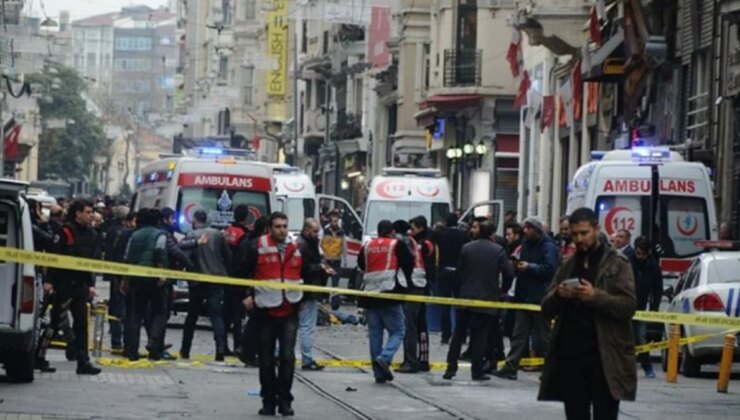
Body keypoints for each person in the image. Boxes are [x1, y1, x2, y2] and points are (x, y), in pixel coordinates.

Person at [538, 207, 637, 419]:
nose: (579, 239)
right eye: (574, 234)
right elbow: (545, 308)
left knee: (605, 413)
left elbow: (628, 306)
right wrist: (559, 295)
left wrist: (596, 296)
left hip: (605, 358)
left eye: (584, 233)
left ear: (596, 229)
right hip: (571, 357)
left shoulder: (618, 264)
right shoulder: (568, 265)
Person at [242, 212, 303, 416]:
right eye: (278, 226)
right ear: (270, 228)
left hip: (290, 309)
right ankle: (268, 401)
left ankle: (285, 401)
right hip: (265, 310)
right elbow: (242, 272)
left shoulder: (296, 247)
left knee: (287, 357)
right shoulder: (256, 246)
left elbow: (306, 271)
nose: (282, 230)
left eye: (285, 226)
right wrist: (246, 295)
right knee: (266, 359)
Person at [444, 221, 514, 381]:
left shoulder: (467, 248)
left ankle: (450, 366)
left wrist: (464, 286)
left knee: (458, 333)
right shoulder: (498, 250)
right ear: (492, 234)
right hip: (487, 298)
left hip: (466, 296)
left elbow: (459, 271)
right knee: (480, 336)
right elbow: (509, 273)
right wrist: (503, 290)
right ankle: (477, 370)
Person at [493, 216, 558, 380]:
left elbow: (550, 269)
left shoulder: (548, 246)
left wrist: (530, 267)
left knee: (544, 336)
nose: (525, 231)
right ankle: (511, 367)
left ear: (536, 230)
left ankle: (554, 369)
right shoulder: (526, 244)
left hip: (539, 297)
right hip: (523, 296)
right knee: (518, 335)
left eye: (528, 228)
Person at [48, 198, 101, 375]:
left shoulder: (92, 235)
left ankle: (83, 361)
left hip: (80, 286)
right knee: (54, 322)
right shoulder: (65, 231)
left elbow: (91, 262)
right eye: (87, 212)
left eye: (92, 212)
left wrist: (91, 284)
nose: (91, 215)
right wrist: (49, 281)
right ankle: (37, 356)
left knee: (81, 324)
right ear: (77, 213)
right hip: (63, 284)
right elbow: (53, 258)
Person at [357, 220, 412, 383]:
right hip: (390, 293)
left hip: (370, 295)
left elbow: (361, 264)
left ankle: (378, 373)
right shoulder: (397, 244)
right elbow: (408, 263)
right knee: (398, 331)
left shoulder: (367, 246)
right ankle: (385, 357)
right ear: (391, 231)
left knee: (375, 334)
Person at [180, 210, 231, 361]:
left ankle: (185, 349)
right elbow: (227, 255)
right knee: (216, 315)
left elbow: (186, 257)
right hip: (216, 279)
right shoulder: (218, 234)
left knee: (192, 316)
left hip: (197, 280)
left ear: (195, 220)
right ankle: (220, 348)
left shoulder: (191, 235)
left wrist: (188, 273)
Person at [123, 208, 170, 361]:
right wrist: (161, 272)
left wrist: (125, 279)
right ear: (158, 221)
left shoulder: (134, 235)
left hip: (135, 278)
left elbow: (127, 256)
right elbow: (160, 251)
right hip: (153, 278)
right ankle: (154, 341)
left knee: (135, 314)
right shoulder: (160, 234)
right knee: (160, 311)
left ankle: (132, 350)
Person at [298, 218, 335, 371]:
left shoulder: (307, 244)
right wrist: (320, 268)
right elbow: (305, 268)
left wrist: (322, 266)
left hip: (306, 290)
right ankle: (306, 359)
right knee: (307, 326)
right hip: (307, 291)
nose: (317, 234)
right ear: (306, 230)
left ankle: (282, 355)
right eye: (314, 231)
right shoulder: (304, 245)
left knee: (299, 325)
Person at [233, 216, 269, 367]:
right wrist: (247, 294)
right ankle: (247, 350)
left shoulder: (247, 241)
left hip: (251, 289)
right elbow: (245, 269)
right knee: (258, 322)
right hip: (253, 290)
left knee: (254, 321)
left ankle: (246, 350)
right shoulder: (256, 246)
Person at [393, 219, 429, 374]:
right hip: (418, 284)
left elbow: (405, 263)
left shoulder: (403, 242)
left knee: (410, 326)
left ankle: (411, 361)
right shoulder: (412, 241)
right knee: (413, 324)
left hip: (413, 286)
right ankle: (412, 359)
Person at [403, 215, 435, 373]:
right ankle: (423, 359)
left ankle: (413, 360)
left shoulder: (421, 245)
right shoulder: (427, 242)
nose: (410, 231)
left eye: (413, 228)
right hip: (423, 287)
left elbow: (421, 266)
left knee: (413, 325)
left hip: (416, 286)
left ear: (421, 228)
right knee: (421, 325)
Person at [629, 236, 663, 378]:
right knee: (626, 338)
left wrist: (654, 309)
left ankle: (647, 366)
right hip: (625, 306)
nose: (640, 257)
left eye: (643, 254)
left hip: (641, 308)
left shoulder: (652, 266)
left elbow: (657, 289)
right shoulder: (627, 262)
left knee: (642, 338)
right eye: (638, 253)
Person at [434, 214, 469, 344]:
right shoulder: (463, 236)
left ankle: (445, 334)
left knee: (445, 306)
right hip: (459, 273)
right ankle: (461, 334)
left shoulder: (440, 235)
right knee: (461, 306)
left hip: (444, 272)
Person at [223, 204, 251, 356]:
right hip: (239, 278)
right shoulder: (243, 235)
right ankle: (238, 345)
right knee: (238, 316)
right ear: (246, 217)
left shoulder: (227, 232)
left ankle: (222, 346)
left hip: (226, 276)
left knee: (226, 315)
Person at [103, 205, 130, 351]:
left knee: (115, 305)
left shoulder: (111, 230)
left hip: (113, 273)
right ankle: (117, 338)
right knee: (121, 307)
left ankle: (114, 332)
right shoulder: (126, 233)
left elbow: (108, 251)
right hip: (121, 275)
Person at [321, 209, 345, 308]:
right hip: (326, 261)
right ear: (330, 220)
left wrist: (344, 260)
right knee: (323, 281)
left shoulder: (341, 232)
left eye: (337, 219)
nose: (335, 221)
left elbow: (344, 246)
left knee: (335, 283)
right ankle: (322, 299)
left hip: (336, 261)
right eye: (333, 219)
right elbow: (321, 244)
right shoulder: (325, 231)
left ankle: (335, 303)